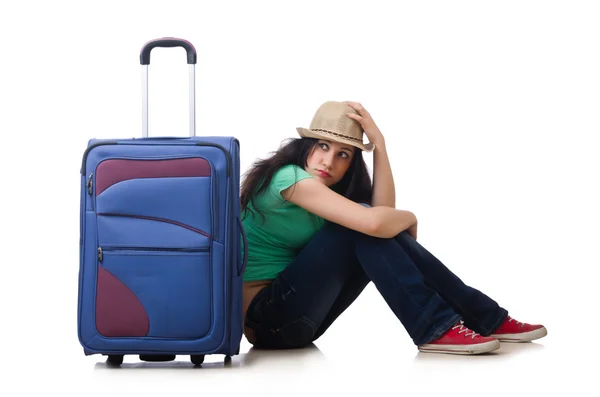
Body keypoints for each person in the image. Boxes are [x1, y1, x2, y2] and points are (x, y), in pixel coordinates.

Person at [240, 100, 547, 355]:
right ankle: (445, 325)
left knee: (365, 225)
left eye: (343, 154)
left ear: (351, 164)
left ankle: (478, 319)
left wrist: (381, 147)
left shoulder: (328, 196)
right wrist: (410, 217)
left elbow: (380, 217)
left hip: (301, 323)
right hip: (268, 321)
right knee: (362, 223)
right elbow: (376, 220)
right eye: (322, 146)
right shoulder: (288, 177)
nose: (328, 161)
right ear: (305, 144)